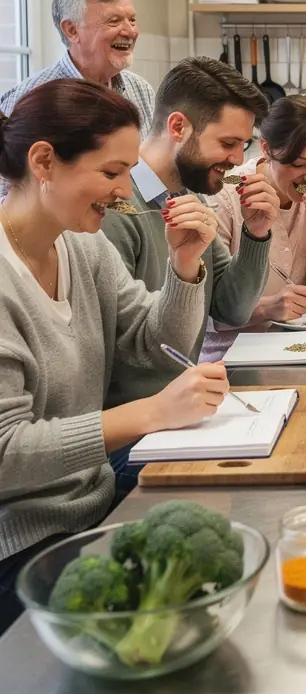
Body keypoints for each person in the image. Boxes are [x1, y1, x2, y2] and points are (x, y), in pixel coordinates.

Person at [0, 80, 229, 636]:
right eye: (111, 172)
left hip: (93, 508)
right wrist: (150, 414)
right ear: (43, 161)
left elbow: (154, 343)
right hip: (23, 548)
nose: (126, 191)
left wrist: (184, 267)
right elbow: (7, 454)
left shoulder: (82, 245)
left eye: (128, 171)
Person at [100, 56, 277, 392]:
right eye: (227, 143)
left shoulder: (188, 197)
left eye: (243, 145)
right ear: (178, 127)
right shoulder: (115, 208)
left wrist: (256, 233)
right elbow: (116, 352)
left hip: (181, 404)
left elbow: (232, 309)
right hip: (140, 416)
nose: (238, 159)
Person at [203, 94, 306, 354]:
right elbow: (208, 311)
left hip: (305, 347)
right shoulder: (226, 193)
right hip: (230, 354)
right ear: (266, 149)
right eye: (299, 164)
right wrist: (266, 308)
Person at [0, 0, 154, 131]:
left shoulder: (141, 90)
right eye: (114, 21)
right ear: (72, 30)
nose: (131, 31)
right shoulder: (30, 99)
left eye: (132, 20)